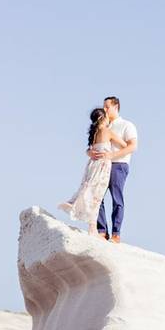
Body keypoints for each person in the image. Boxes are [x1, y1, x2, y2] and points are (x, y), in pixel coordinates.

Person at [58, 108, 130, 237]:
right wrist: (112, 153)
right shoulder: (107, 131)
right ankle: (92, 228)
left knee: (88, 188)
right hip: (102, 165)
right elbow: (125, 145)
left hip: (92, 165)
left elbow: (89, 149)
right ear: (103, 118)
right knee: (96, 196)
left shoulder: (95, 133)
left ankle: (74, 203)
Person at [88, 96, 138, 243]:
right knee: (98, 197)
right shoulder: (103, 125)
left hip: (118, 164)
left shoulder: (126, 125)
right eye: (104, 107)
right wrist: (90, 152)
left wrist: (112, 155)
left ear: (116, 107)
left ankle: (116, 234)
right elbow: (92, 144)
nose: (104, 109)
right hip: (101, 166)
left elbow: (132, 146)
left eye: (107, 107)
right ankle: (102, 231)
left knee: (117, 198)